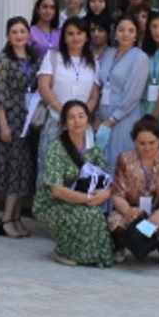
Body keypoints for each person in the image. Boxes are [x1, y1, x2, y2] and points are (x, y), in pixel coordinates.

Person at [32, 100, 114, 267]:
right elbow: (56, 190)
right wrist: (87, 199)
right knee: (85, 215)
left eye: (81, 116)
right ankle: (64, 251)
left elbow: (108, 179)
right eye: (71, 117)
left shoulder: (93, 148)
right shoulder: (57, 149)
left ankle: (92, 256)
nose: (77, 121)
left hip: (83, 199)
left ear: (88, 120)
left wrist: (105, 194)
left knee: (96, 215)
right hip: (53, 204)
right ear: (64, 124)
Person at [107, 117, 159, 266]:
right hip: (133, 208)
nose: (147, 148)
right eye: (142, 143)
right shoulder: (125, 159)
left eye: (151, 143)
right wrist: (128, 210)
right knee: (114, 221)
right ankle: (120, 246)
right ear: (134, 141)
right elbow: (117, 194)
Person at [0, 17, 38, 238]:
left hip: (30, 120)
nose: (19, 35)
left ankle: (17, 217)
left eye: (22, 31)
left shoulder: (33, 58)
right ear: (8, 36)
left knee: (24, 171)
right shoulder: (3, 60)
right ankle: (6, 219)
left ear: (28, 34)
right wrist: (3, 125)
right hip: (12, 120)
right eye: (14, 32)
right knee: (14, 170)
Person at [36, 16, 101, 167]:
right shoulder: (52, 57)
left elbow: (95, 94)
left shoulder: (94, 62)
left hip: (81, 125)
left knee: (79, 168)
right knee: (52, 167)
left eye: (79, 33)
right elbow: (44, 87)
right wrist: (65, 113)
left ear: (86, 37)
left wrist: (81, 116)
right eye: (70, 34)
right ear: (64, 38)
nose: (75, 38)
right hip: (57, 120)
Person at [96, 16, 150, 165]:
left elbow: (133, 94)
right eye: (121, 30)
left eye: (131, 31)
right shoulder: (109, 54)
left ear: (136, 35)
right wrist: (99, 115)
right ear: (115, 33)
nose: (126, 34)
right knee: (104, 161)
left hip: (124, 118)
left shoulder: (139, 57)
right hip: (104, 117)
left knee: (121, 160)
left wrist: (113, 119)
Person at [29, 0, 61, 65]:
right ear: (38, 9)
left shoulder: (60, 33)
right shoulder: (30, 32)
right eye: (44, 7)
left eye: (52, 8)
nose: (48, 11)